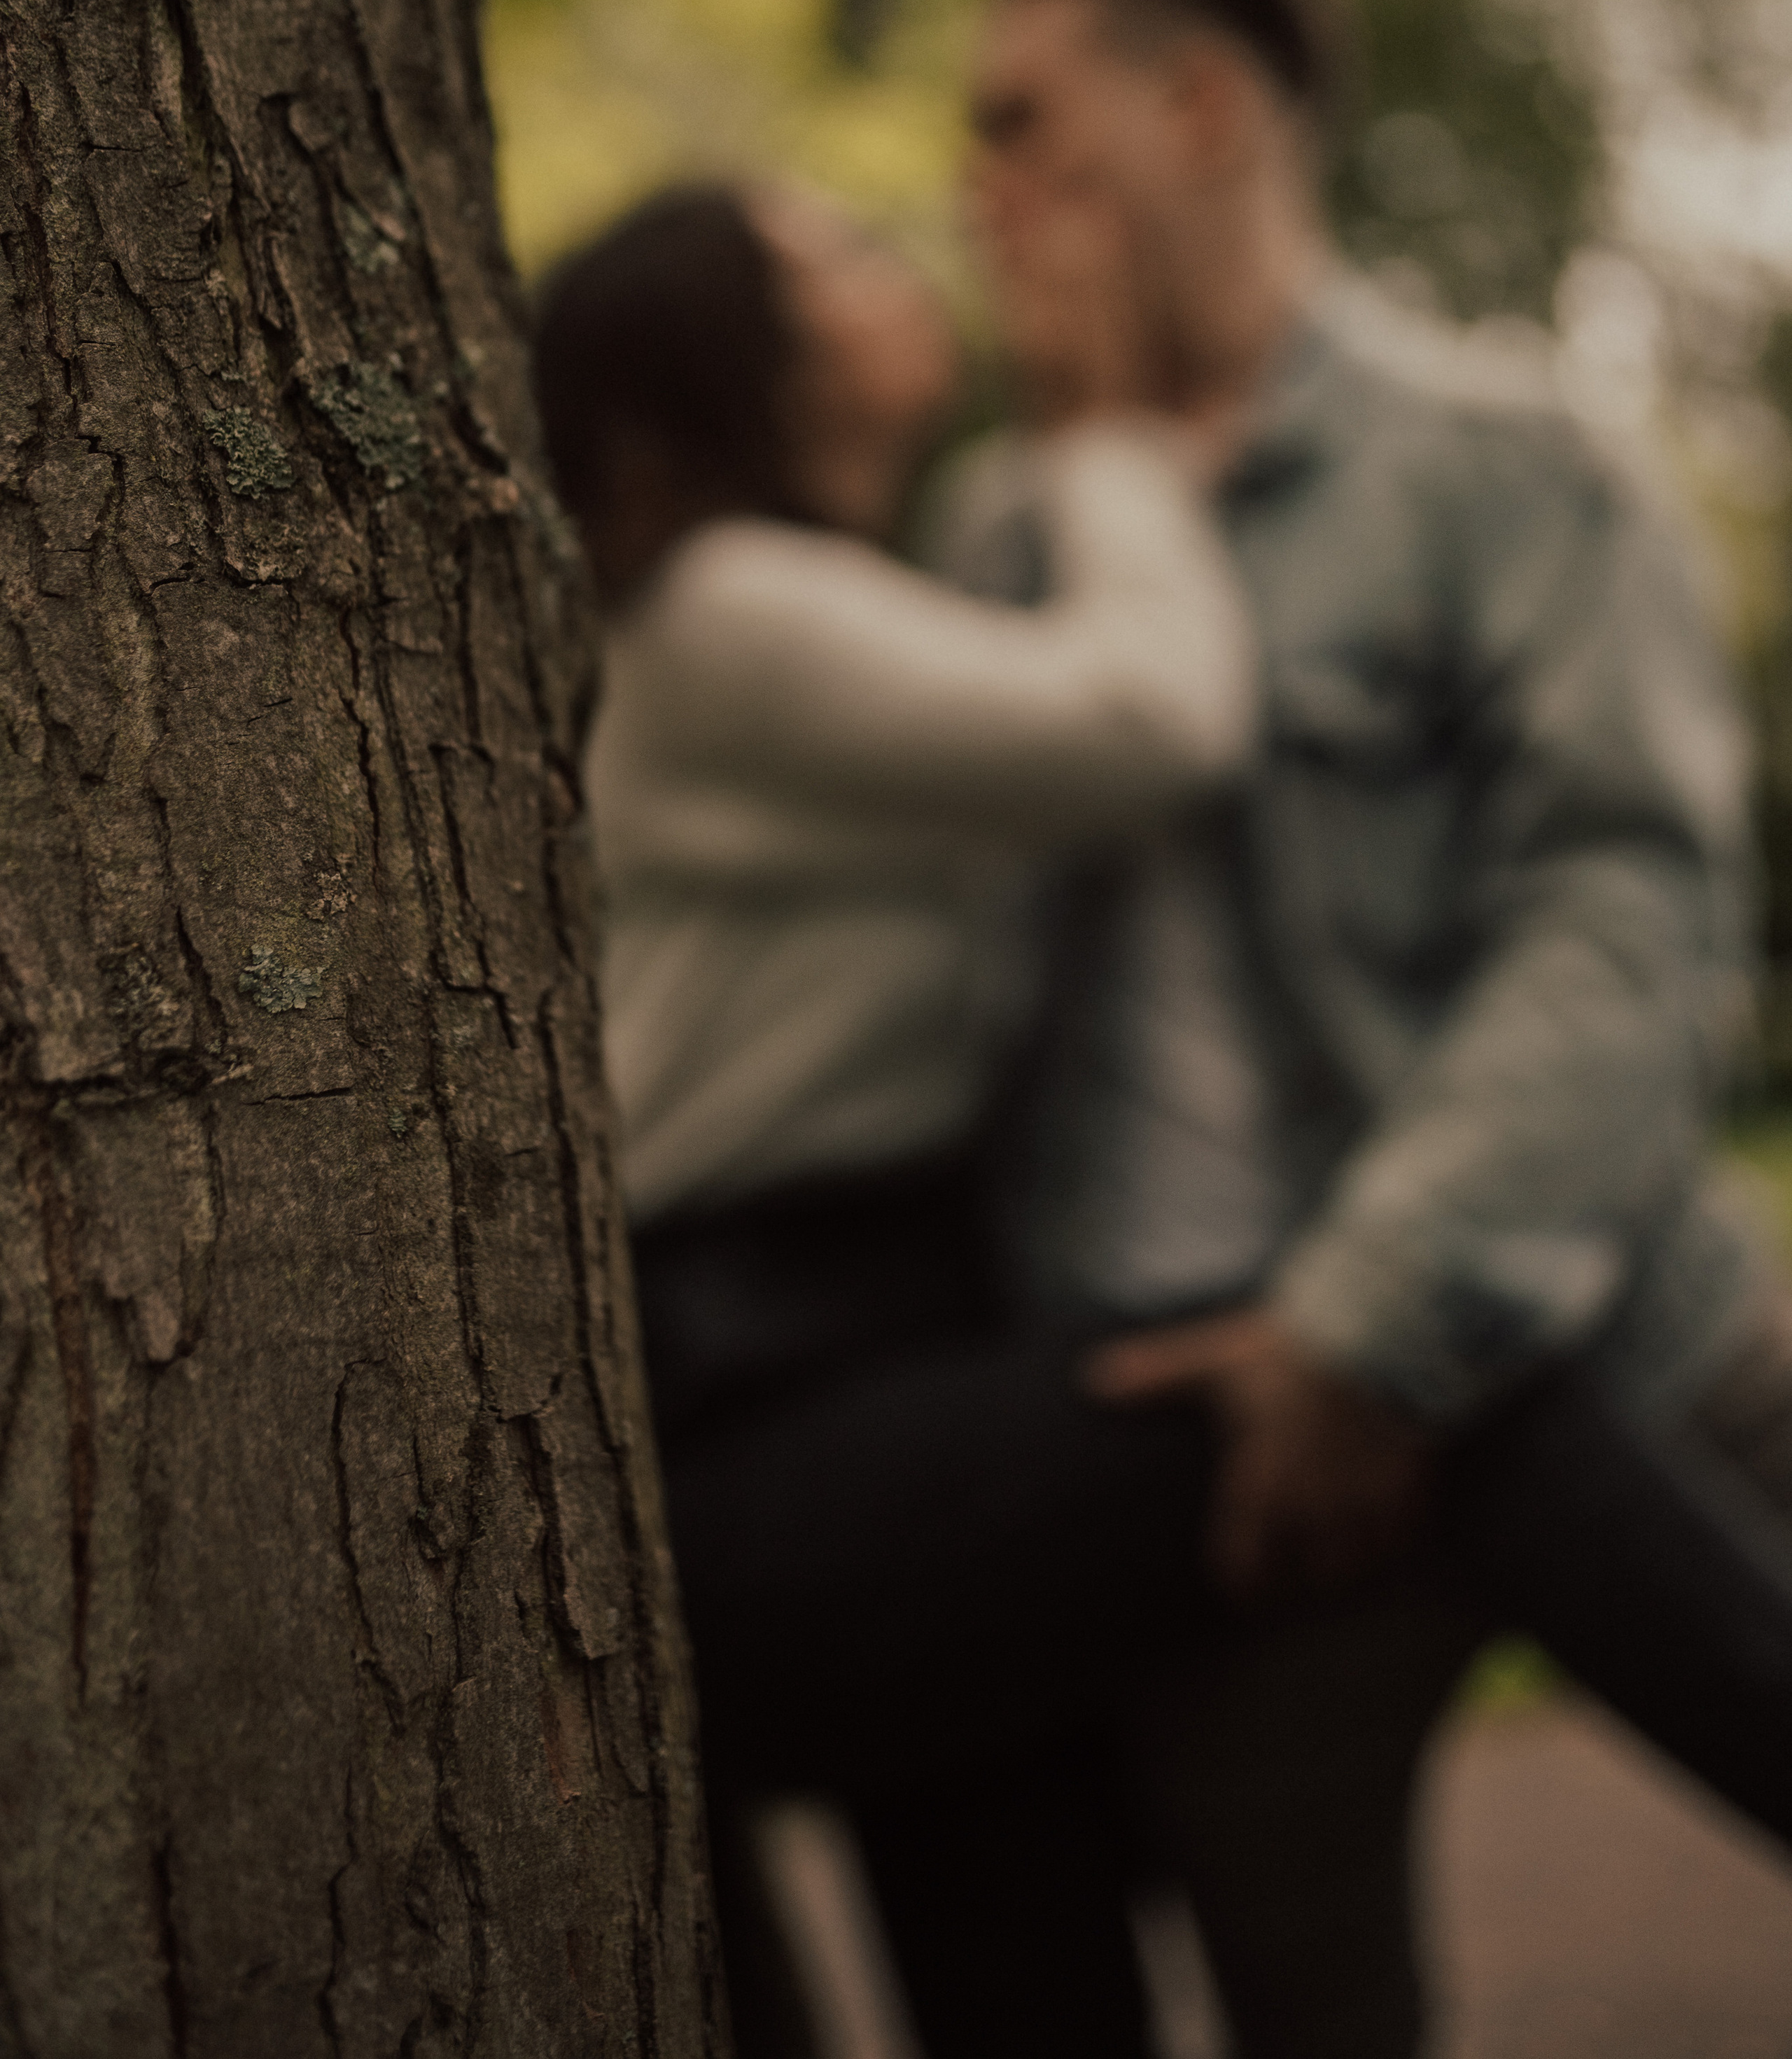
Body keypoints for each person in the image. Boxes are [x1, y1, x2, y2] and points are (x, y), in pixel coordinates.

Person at [533, 146, 1792, 2059]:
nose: (918, 257)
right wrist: (1113, 441)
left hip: (905, 1379)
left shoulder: (845, 595)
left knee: (1029, 1985)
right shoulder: (719, 613)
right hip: (760, 1413)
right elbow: (1151, 722)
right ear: (741, 344)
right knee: (1450, 1395)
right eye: (840, 251)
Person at [923, 0, 1792, 2051]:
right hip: (1211, 1489)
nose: (979, 188)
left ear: (1200, 104)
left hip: (1612, 1348)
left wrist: (1363, 1333)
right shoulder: (993, 534)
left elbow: (1621, 929)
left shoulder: (1504, 463)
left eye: (1021, 121)